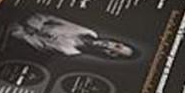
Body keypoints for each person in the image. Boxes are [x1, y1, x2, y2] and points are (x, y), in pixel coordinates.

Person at [9, 13, 138, 60]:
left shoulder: (68, 51)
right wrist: (34, 24)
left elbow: (24, 38)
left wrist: (20, 27)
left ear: (108, 56)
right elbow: (49, 16)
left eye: (113, 53)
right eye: (117, 46)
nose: (108, 47)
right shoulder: (88, 31)